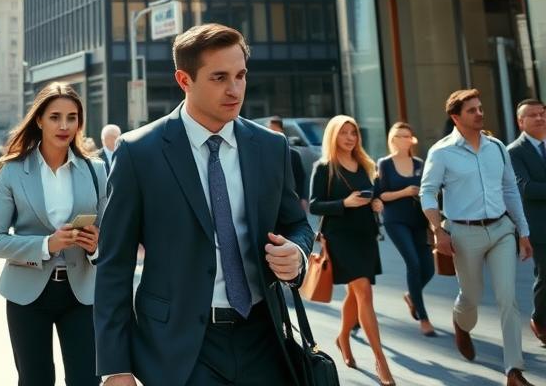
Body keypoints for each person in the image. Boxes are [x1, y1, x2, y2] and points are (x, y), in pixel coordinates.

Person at [95, 23, 313, 386]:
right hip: (179, 347)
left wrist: (298, 254)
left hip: (263, 337)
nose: (235, 89)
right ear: (184, 79)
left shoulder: (271, 147)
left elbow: (296, 224)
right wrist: (116, 365)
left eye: (241, 75)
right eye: (219, 77)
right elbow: (114, 264)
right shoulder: (139, 153)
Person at [0, 83, 106, 385]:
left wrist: (95, 246)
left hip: (81, 293)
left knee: (86, 380)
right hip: (27, 294)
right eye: (54, 117)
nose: (64, 126)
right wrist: (45, 244)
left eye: (72, 117)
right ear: (39, 120)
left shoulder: (97, 170)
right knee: (35, 379)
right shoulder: (13, 171)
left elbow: (111, 237)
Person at [421, 88, 533, 386]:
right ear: (456, 117)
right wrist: (438, 230)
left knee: (508, 299)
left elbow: (510, 190)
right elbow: (427, 192)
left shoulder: (497, 147)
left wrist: (523, 231)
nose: (480, 113)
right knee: (471, 296)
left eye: (481, 108)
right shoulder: (441, 152)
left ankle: (514, 371)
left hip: (501, 230)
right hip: (462, 232)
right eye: (472, 110)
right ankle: (461, 324)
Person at [310, 115, 395, 385]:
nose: (350, 137)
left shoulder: (365, 164)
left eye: (354, 133)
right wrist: (344, 203)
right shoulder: (324, 167)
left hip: (365, 235)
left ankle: (343, 337)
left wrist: (376, 203)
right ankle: (381, 361)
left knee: (356, 294)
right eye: (344, 133)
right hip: (340, 237)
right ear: (333, 136)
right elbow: (314, 205)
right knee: (364, 293)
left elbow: (375, 194)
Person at [376, 121, 435, 337]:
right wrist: (405, 192)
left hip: (419, 220)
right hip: (395, 220)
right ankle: (423, 318)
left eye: (407, 136)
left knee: (429, 268)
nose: (403, 140)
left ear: (412, 140)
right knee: (413, 263)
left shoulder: (420, 163)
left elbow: (430, 189)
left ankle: (411, 295)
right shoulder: (384, 164)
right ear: (392, 140)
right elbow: (381, 194)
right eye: (399, 136)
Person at [509, 98, 546, 345]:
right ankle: (540, 319)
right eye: (533, 115)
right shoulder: (514, 152)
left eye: (542, 113)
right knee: (545, 275)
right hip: (539, 225)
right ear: (521, 122)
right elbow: (526, 188)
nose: (540, 118)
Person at [268, 117, 308, 208]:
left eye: (275, 131)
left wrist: (302, 198)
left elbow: (300, 177)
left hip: (290, 199)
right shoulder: (262, 154)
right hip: (270, 200)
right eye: (269, 131)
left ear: (282, 131)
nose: (272, 134)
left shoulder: (293, 155)